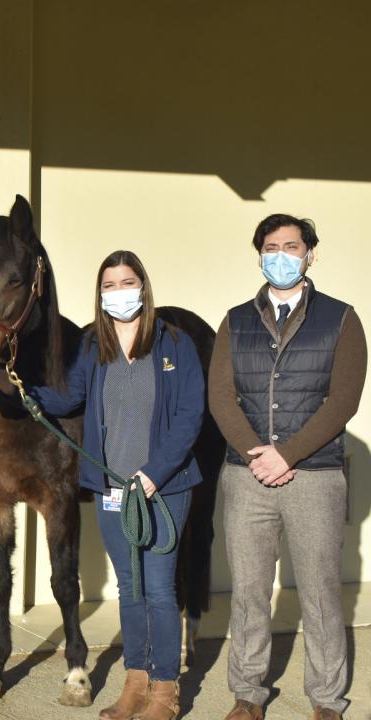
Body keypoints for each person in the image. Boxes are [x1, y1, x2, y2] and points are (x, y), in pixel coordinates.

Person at [0, 250, 205, 720]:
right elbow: (70, 396)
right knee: (129, 590)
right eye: (109, 286)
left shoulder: (175, 343)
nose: (118, 292)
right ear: (100, 294)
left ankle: (166, 693)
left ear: (143, 288)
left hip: (164, 489)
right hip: (112, 490)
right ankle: (136, 684)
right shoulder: (94, 345)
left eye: (126, 282)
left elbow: (190, 416)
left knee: (160, 591)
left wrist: (153, 475)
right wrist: (19, 390)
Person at [209, 215, 366, 720]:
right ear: (259, 255)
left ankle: (326, 700)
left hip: (314, 476)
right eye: (271, 246)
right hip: (246, 474)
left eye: (291, 246)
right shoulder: (235, 321)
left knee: (320, 593)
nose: (281, 254)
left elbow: (343, 400)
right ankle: (247, 695)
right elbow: (221, 398)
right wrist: (258, 453)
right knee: (250, 592)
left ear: (310, 254)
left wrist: (288, 453)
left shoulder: (342, 319)